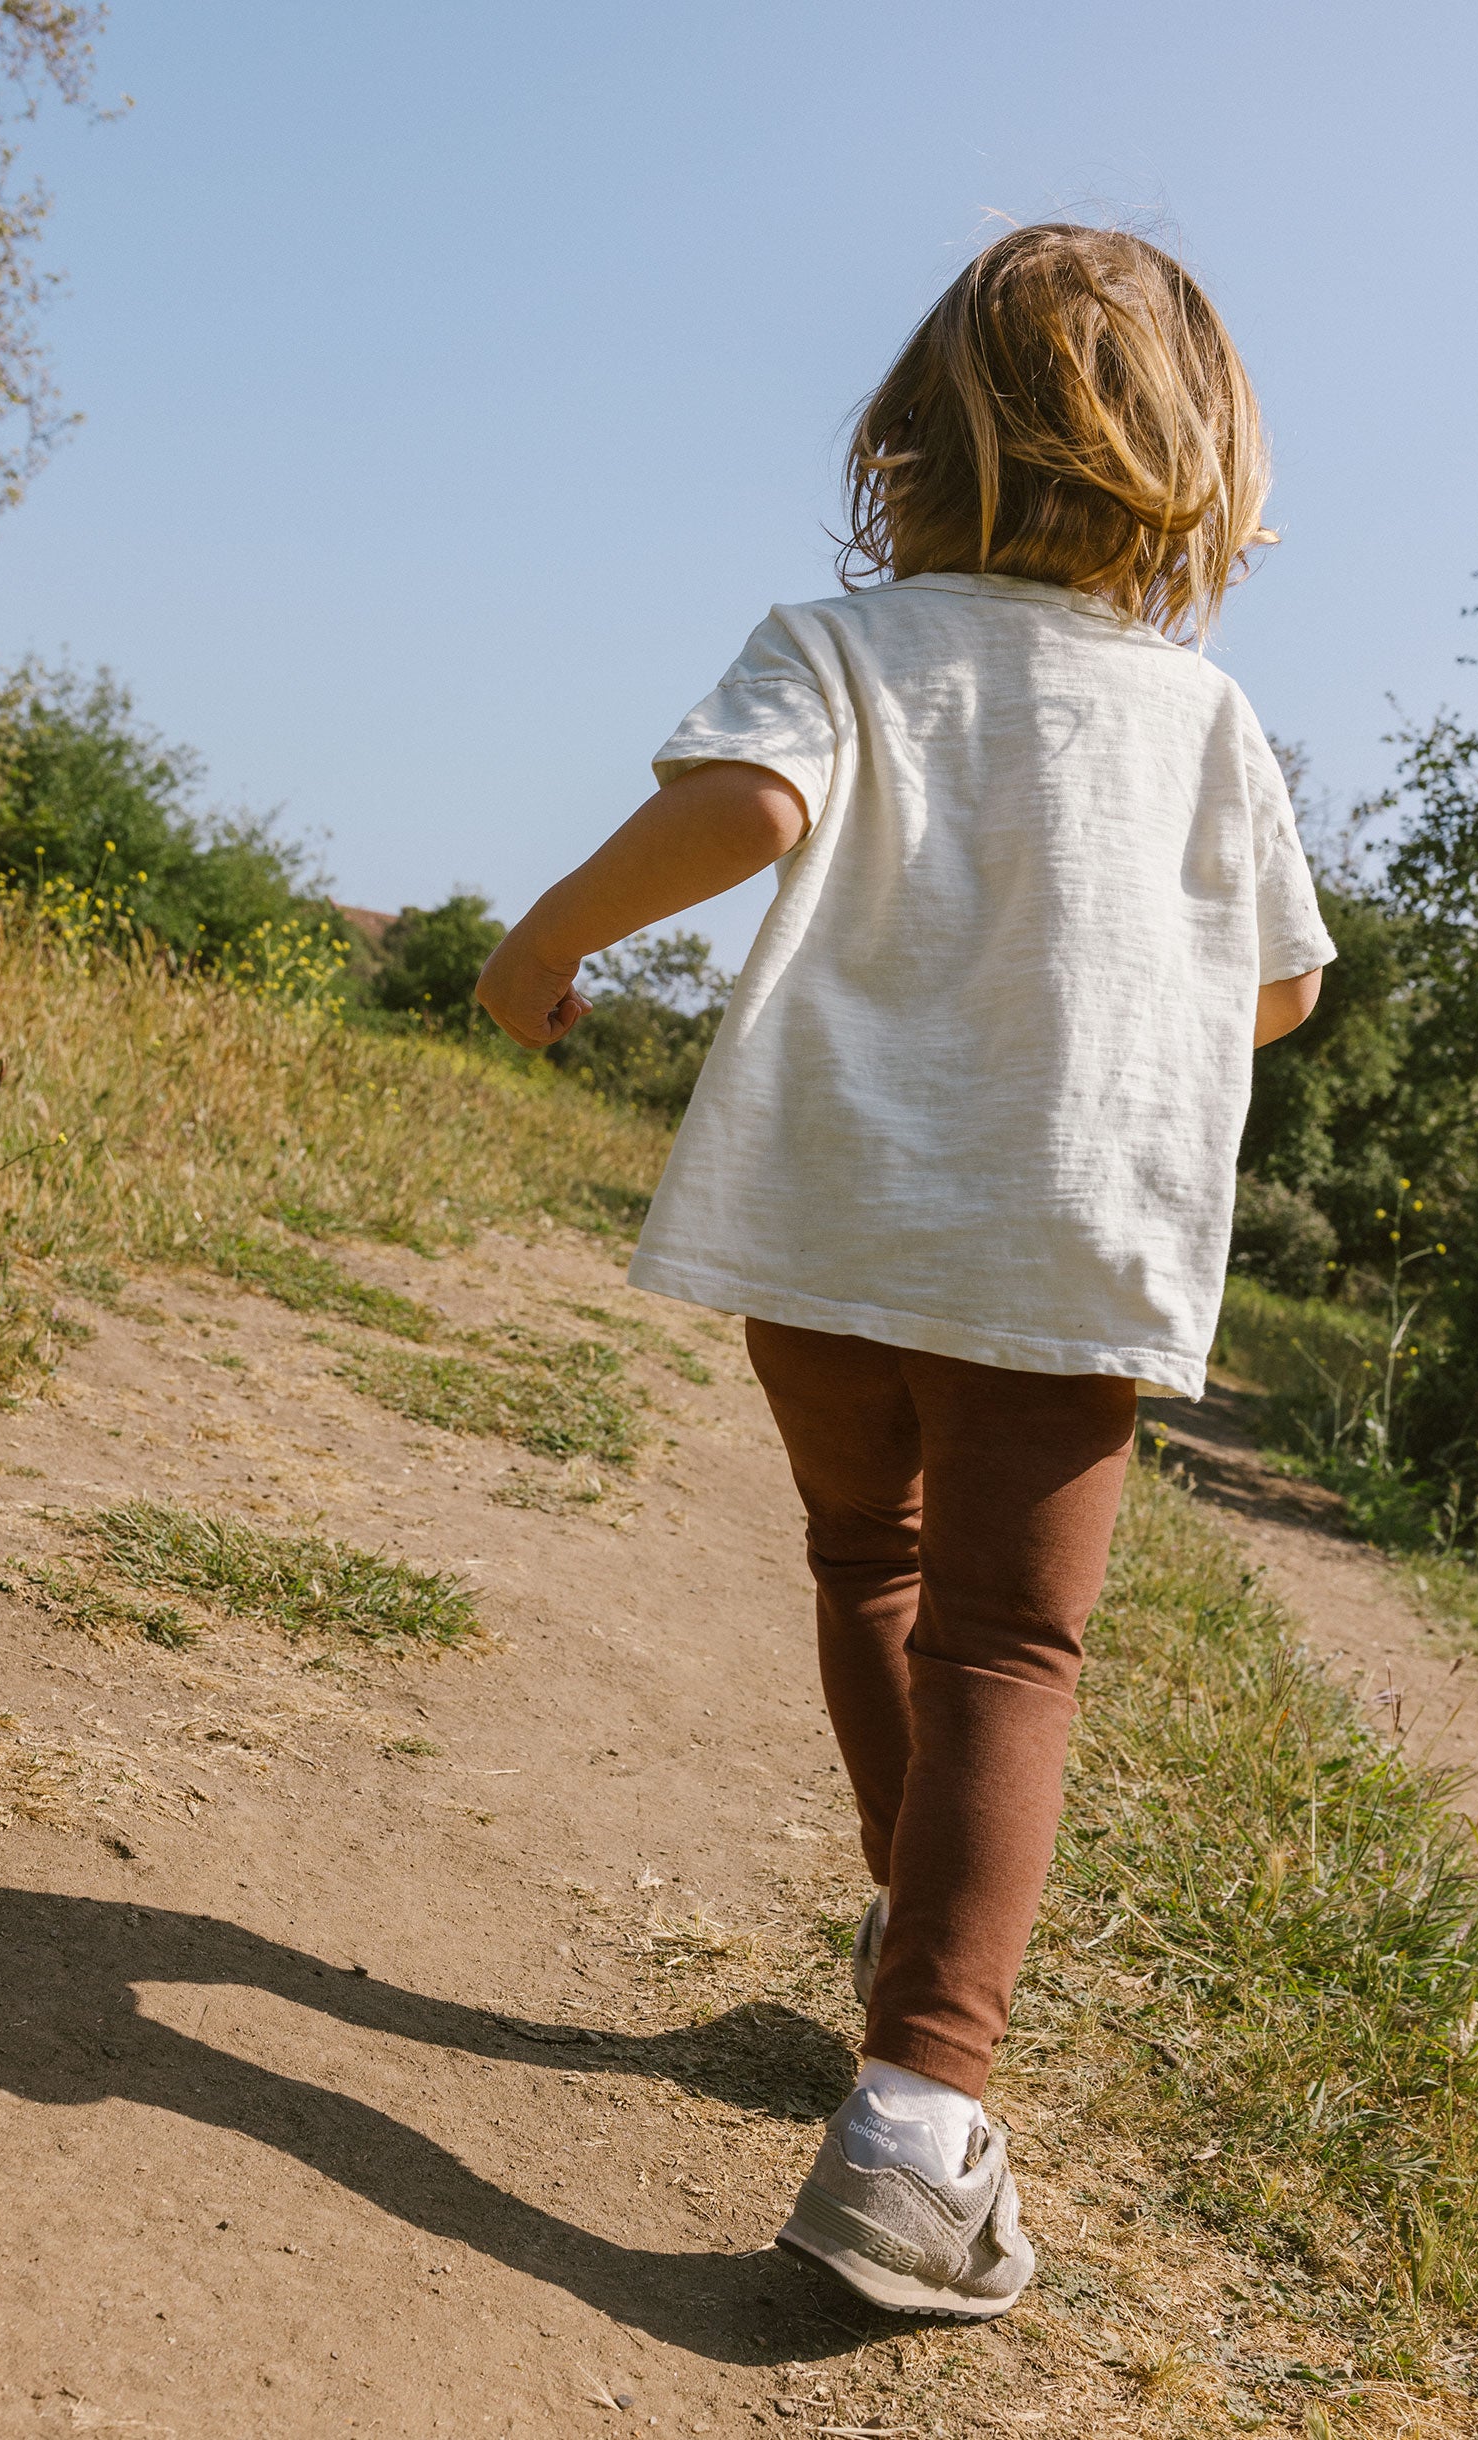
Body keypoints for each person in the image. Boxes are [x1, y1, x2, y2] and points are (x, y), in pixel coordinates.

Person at [475, 222, 1332, 2317]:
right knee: (1010, 1653)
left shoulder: (845, 645)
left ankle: (904, 1933)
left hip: (837, 1205)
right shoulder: (1200, 712)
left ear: (911, 443)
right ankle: (921, 2116)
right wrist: (1106, 1021)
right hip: (1064, 1224)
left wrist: (548, 940)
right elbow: (1282, 991)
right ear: (1193, 461)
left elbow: (747, 803)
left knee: (867, 1553)